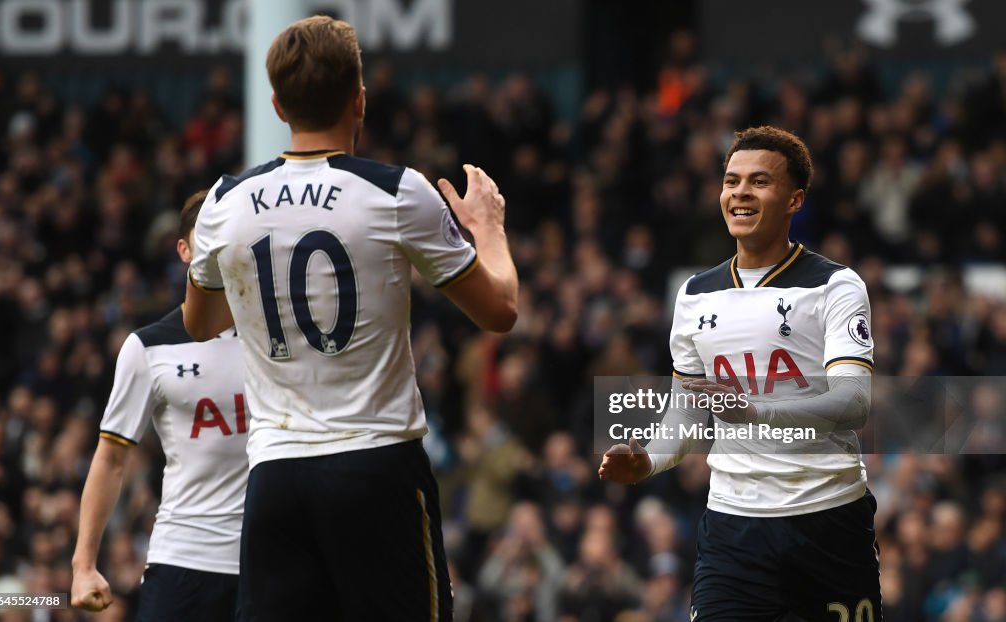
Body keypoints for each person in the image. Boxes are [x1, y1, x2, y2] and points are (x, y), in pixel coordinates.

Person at [183, 15, 518, 621]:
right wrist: (488, 228)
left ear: (278, 104)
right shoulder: (396, 192)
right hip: (375, 466)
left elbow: (200, 323)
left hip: (275, 476)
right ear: (360, 98)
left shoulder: (222, 202)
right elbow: (501, 312)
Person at [599, 126, 882, 621]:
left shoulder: (835, 285)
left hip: (827, 519)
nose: (740, 193)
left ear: (794, 200)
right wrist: (646, 461)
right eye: (731, 181)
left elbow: (853, 403)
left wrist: (752, 410)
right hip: (733, 528)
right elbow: (686, 418)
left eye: (758, 182)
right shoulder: (694, 294)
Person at [71, 190, 248, 621]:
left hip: (273, 562)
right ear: (184, 250)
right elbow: (111, 458)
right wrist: (83, 565)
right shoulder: (148, 347)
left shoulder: (281, 337)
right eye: (208, 234)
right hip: (184, 560)